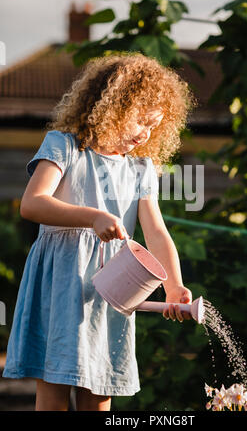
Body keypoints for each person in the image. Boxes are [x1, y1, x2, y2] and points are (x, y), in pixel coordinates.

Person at [2, 53, 196, 411]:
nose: (145, 134)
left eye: (154, 127)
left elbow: (155, 231)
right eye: (141, 120)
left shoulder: (140, 168)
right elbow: (32, 204)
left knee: (99, 388)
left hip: (111, 288)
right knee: (55, 383)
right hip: (61, 282)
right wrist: (91, 217)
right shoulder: (65, 145)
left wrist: (174, 285)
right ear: (112, 106)